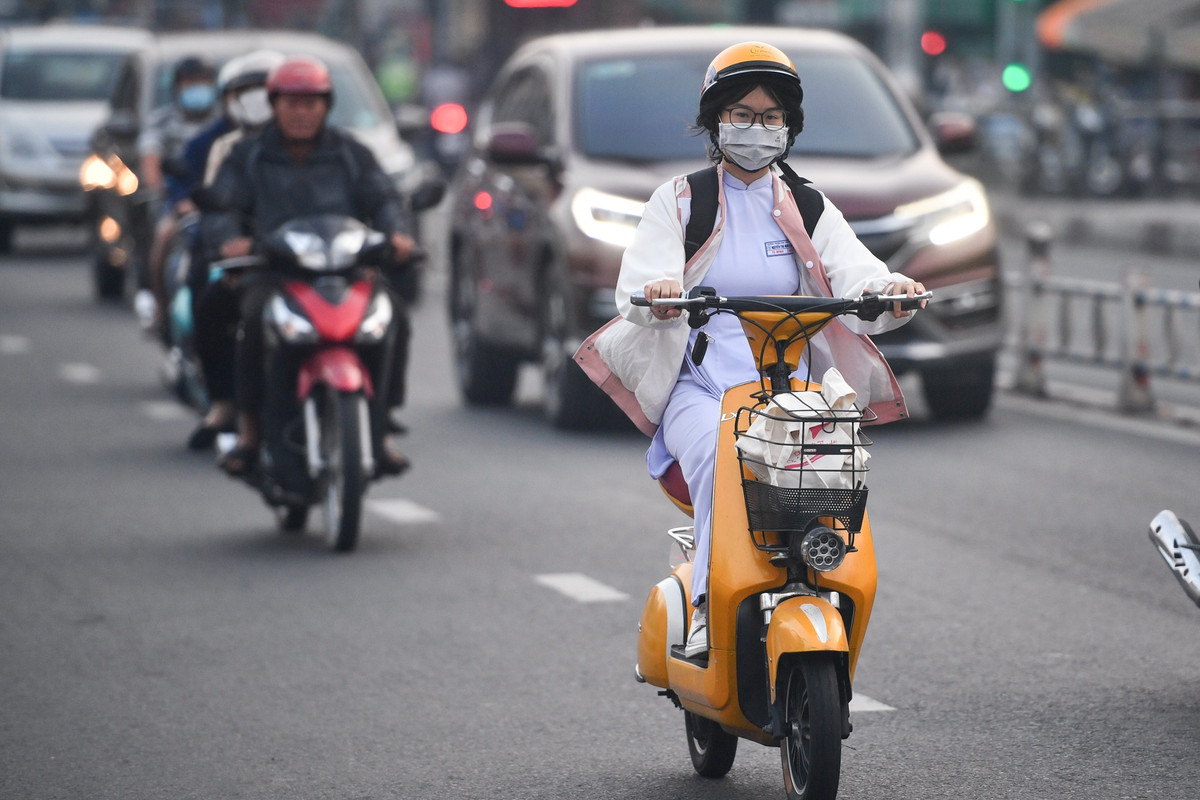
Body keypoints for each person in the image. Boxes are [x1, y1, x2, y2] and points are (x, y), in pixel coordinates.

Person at [575, 42, 927, 657]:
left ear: (789, 126)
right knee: (724, 457)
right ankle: (707, 606)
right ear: (716, 122)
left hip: (791, 392)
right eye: (741, 113)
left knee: (840, 471)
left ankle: (822, 584)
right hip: (701, 388)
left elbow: (858, 276)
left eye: (770, 116)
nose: (756, 128)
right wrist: (659, 292)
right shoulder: (679, 201)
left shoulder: (809, 206)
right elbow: (639, 285)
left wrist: (890, 290)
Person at [203, 55, 416, 477]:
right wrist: (228, 240)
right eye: (291, 103)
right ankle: (249, 433)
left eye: (311, 103)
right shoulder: (247, 156)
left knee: (394, 318)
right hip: (275, 273)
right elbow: (221, 205)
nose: (301, 113)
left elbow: (384, 199)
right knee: (251, 319)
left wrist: (397, 234)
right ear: (274, 105)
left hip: (345, 272)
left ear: (326, 106)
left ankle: (382, 428)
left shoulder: (352, 154)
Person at [185, 49, 286, 450]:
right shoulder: (233, 152)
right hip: (257, 261)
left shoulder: (339, 148)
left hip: (316, 259)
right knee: (213, 301)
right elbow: (219, 207)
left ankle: (376, 419)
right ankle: (229, 405)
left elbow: (371, 199)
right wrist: (231, 247)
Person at [139, 56, 220, 336]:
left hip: (220, 202)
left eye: (203, 82)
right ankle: (161, 309)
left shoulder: (222, 122)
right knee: (164, 237)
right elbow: (151, 163)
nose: (197, 88)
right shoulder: (162, 122)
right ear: (177, 87)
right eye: (190, 82)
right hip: (179, 203)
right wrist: (170, 193)